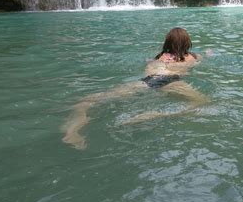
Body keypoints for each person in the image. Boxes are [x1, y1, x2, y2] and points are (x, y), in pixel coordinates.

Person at [61, 28, 208, 150]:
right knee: (202, 103)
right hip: (171, 81)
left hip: (147, 81)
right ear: (187, 43)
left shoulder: (160, 56)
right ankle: (150, 115)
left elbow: (150, 66)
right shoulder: (191, 57)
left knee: (91, 100)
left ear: (167, 42)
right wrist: (208, 54)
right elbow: (201, 59)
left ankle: (72, 128)